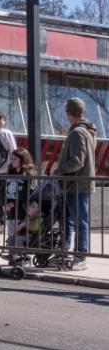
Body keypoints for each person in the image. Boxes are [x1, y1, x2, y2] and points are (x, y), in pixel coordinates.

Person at [52, 97, 97, 271]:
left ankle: (80, 256)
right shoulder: (87, 130)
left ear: (70, 114)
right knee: (72, 221)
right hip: (79, 183)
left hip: (76, 183)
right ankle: (66, 252)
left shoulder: (78, 132)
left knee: (79, 221)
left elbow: (77, 161)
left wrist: (59, 170)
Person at [4, 148, 35, 246]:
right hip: (11, 212)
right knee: (11, 233)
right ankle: (12, 254)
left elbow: (26, 193)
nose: (12, 161)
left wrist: (13, 203)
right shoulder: (10, 173)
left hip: (21, 210)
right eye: (11, 159)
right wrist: (4, 203)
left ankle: (19, 255)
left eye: (15, 159)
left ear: (22, 160)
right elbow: (3, 190)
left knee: (19, 234)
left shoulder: (27, 175)